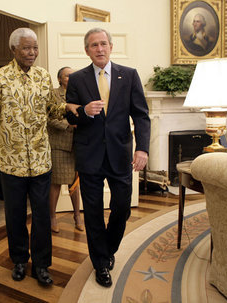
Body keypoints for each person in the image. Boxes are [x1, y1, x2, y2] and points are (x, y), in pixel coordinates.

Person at [0, 27, 79, 286]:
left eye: (35, 47)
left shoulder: (44, 77)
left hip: (41, 160)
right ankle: (20, 260)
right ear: (13, 50)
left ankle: (42, 265)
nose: (32, 52)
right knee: (14, 216)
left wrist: (67, 108)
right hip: (11, 163)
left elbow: (51, 111)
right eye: (26, 48)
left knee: (43, 215)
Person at [65, 27, 150, 287]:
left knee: (122, 206)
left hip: (120, 153)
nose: (99, 49)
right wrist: (84, 111)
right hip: (89, 154)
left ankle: (108, 247)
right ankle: (100, 263)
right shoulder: (77, 79)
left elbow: (141, 115)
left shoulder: (130, 75)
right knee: (92, 212)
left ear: (111, 47)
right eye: (94, 45)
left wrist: (142, 149)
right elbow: (69, 114)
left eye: (103, 44)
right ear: (87, 50)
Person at [48, 66, 84, 233]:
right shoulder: (53, 94)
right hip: (59, 145)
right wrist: (67, 125)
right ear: (60, 79)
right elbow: (48, 119)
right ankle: (52, 217)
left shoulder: (80, 93)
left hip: (78, 145)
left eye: (72, 75)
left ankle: (77, 216)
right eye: (67, 76)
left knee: (74, 183)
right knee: (56, 183)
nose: (71, 78)